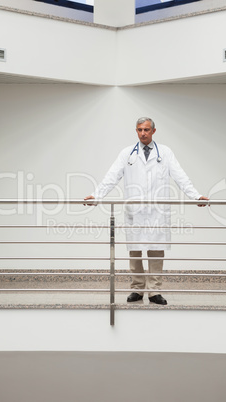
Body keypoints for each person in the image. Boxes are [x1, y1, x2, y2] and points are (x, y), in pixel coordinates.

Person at [84, 117, 208, 305]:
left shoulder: (165, 153)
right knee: (135, 251)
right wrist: (96, 196)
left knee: (156, 251)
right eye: (140, 130)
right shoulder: (127, 154)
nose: (143, 133)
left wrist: (195, 196)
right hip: (136, 211)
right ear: (136, 131)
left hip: (157, 211)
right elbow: (112, 176)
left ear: (153, 131)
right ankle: (137, 289)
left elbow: (180, 176)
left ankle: (154, 291)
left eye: (146, 130)